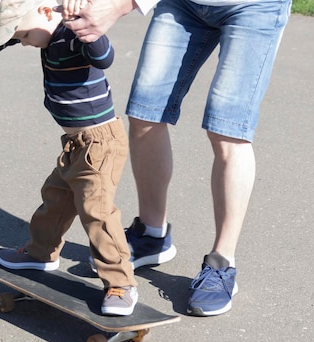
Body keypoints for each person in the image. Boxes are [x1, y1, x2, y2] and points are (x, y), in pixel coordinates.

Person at [63, 0, 292, 316]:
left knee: (227, 131)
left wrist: (120, 6)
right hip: (183, 4)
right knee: (146, 115)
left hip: (254, 7)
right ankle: (151, 234)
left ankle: (222, 261)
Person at [0, 0, 138, 316]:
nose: (24, 44)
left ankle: (121, 283)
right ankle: (40, 253)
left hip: (101, 144)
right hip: (76, 143)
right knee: (56, 199)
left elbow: (104, 57)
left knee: (96, 211)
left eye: (24, 37)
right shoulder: (41, 26)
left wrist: (90, 29)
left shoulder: (75, 31)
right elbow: (13, 33)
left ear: (46, 12)